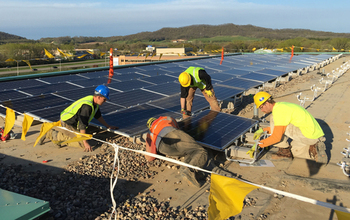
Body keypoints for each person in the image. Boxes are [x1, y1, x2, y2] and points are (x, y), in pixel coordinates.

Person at [253, 91, 327, 163]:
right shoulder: (281, 106)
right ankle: (315, 149)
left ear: (267, 103)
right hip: (314, 135)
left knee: (273, 118)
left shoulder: (278, 112)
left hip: (309, 136)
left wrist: (258, 145)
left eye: (261, 107)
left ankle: (284, 153)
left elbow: (276, 137)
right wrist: (263, 130)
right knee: (294, 151)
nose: (262, 110)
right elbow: (280, 127)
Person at [41, 85, 118, 152]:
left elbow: (98, 116)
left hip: (74, 122)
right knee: (81, 143)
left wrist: (108, 126)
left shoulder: (94, 102)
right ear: (98, 97)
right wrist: (85, 143)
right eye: (104, 99)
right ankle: (52, 134)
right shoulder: (87, 107)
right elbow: (82, 125)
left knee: (86, 135)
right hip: (67, 122)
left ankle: (59, 135)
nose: (105, 101)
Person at [145, 116, 208, 187]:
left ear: (150, 125)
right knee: (201, 151)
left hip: (162, 148)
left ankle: (184, 169)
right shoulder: (165, 118)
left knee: (188, 152)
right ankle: (189, 172)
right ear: (156, 119)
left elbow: (150, 157)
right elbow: (178, 130)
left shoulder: (150, 132)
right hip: (172, 134)